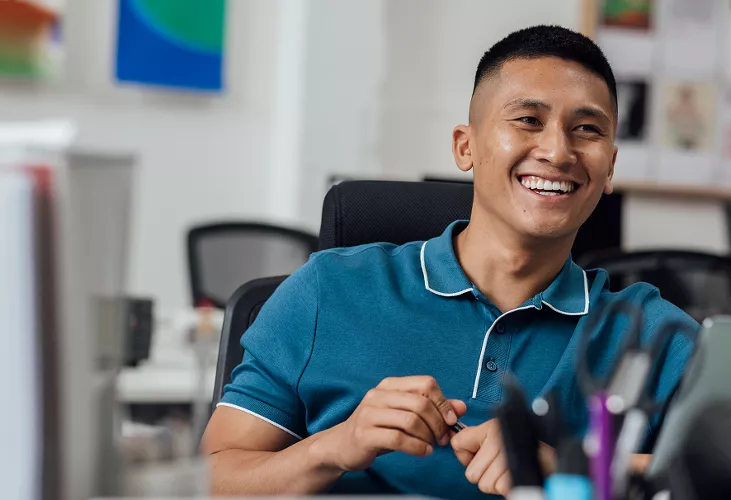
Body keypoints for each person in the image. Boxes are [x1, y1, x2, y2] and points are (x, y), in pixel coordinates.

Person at [202, 25, 698, 498]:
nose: (557, 150)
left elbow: (727, 478)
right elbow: (208, 480)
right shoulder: (325, 291)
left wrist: (564, 465)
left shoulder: (655, 335)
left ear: (609, 167)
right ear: (466, 146)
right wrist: (335, 446)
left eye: (587, 130)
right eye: (528, 120)